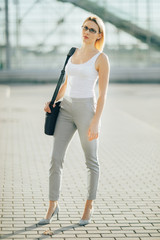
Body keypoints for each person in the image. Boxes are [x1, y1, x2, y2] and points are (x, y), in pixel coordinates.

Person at [39, 14, 110, 226]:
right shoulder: (73, 53)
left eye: (91, 30)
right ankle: (53, 204)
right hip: (66, 109)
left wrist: (96, 120)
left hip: (86, 110)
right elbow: (66, 84)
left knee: (91, 160)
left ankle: (89, 205)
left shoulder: (101, 58)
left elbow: (103, 94)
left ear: (99, 35)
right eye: (85, 28)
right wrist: (53, 101)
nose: (86, 32)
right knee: (55, 158)